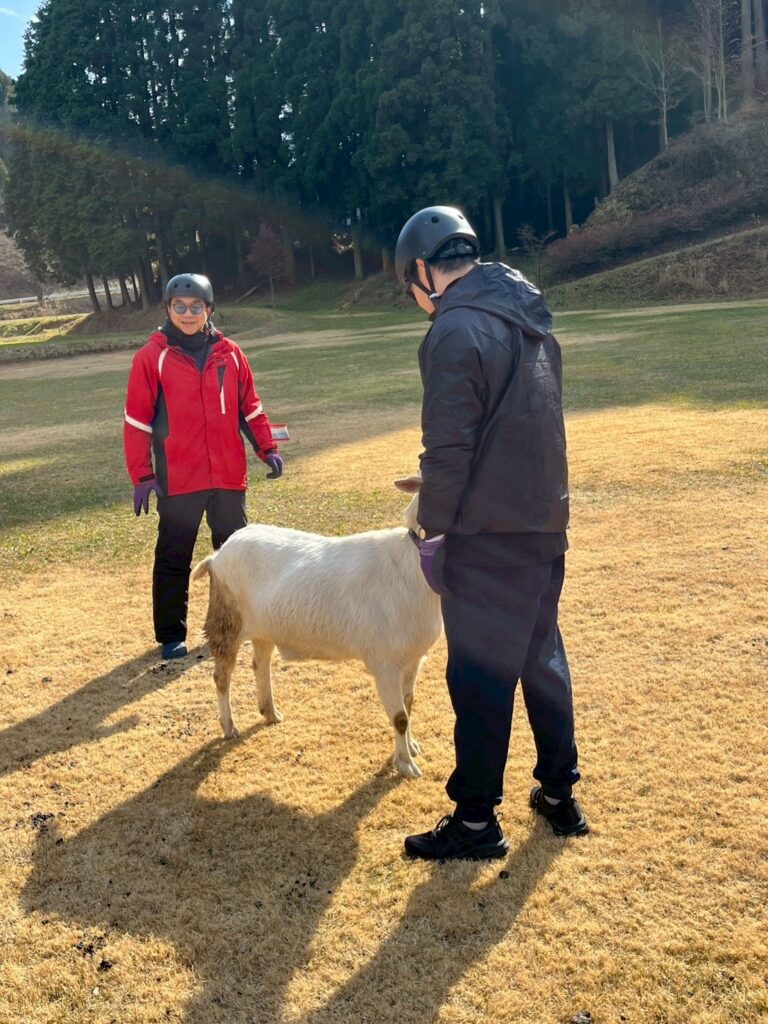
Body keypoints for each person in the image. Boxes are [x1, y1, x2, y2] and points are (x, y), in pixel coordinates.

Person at [394, 206, 588, 861]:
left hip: (487, 534)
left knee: (479, 679)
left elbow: (449, 446)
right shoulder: (528, 314)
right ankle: (560, 795)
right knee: (542, 659)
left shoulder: (455, 328)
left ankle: (476, 822)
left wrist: (434, 527)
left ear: (423, 270)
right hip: (543, 521)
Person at [123, 273, 283, 661]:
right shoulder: (151, 357)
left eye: (197, 307)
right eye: (180, 307)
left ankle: (231, 627)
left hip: (228, 476)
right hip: (179, 479)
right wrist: (143, 475)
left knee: (234, 558)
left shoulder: (230, 353)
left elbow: (251, 407)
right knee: (174, 557)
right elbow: (137, 420)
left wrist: (267, 447)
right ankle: (171, 634)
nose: (188, 313)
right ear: (168, 309)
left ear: (209, 310)